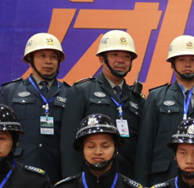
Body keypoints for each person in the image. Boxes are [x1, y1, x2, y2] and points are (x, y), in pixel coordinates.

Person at [61, 30, 144, 179]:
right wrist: (72, 180)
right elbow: (69, 141)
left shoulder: (137, 98)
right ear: (101, 59)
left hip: (126, 177)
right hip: (90, 176)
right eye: (114, 55)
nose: (121, 61)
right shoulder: (82, 91)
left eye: (126, 56)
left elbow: (141, 146)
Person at [135, 35, 194, 186]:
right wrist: (141, 187)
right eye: (181, 60)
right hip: (162, 178)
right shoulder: (156, 97)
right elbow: (144, 145)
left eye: (193, 60)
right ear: (172, 64)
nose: (187, 64)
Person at [0, 33, 70, 185]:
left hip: (56, 168)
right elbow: (1, 134)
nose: (48, 61)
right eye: (42, 56)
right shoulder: (10, 91)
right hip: (19, 165)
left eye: (53, 57)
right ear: (30, 59)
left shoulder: (70, 92)